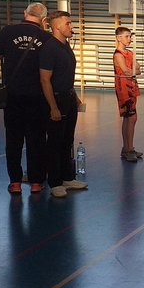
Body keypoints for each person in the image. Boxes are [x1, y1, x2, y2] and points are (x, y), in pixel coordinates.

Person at [0, 2, 52, 194]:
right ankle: (36, 182)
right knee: (36, 139)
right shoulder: (46, 37)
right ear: (43, 19)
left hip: (13, 94)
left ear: (25, 13)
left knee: (13, 140)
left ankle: (15, 182)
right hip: (37, 95)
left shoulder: (8, 31)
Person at [39, 11, 88, 198]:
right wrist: (53, 107)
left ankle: (67, 177)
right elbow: (45, 80)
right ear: (57, 26)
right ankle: (55, 182)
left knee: (67, 140)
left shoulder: (65, 45)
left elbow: (65, 75)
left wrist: (74, 96)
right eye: (68, 23)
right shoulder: (49, 48)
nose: (71, 26)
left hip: (68, 98)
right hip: (56, 100)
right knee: (55, 142)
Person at [113, 27, 143, 162]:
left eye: (130, 36)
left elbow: (138, 69)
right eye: (127, 36)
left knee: (129, 118)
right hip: (123, 89)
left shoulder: (130, 53)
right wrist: (133, 70)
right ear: (118, 38)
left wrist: (134, 70)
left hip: (132, 87)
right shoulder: (118, 55)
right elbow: (126, 72)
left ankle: (127, 148)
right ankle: (129, 149)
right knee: (131, 118)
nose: (129, 39)